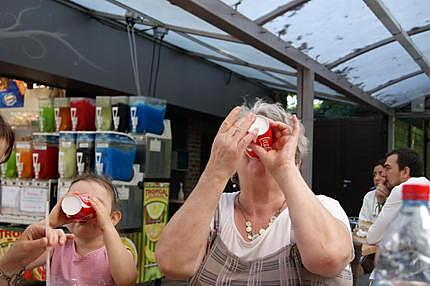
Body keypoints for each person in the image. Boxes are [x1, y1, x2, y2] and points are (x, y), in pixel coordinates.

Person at [156, 101, 354, 285]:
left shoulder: (323, 207)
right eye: (246, 140)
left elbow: (329, 259)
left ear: (297, 161)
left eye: (271, 141)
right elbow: (172, 264)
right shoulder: (212, 209)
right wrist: (216, 170)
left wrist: (284, 166)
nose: (256, 147)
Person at [27, 174, 137, 285]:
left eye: (96, 204)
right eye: (76, 201)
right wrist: (49, 222)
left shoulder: (116, 253)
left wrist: (107, 226)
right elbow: (18, 260)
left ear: (113, 218)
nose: (82, 210)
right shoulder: (57, 245)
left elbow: (126, 281)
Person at [367, 148, 429, 244]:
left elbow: (372, 237)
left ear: (405, 172)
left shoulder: (402, 190)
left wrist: (381, 202)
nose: (383, 174)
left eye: (387, 168)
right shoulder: (425, 184)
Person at [358, 159, 390, 227]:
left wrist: (382, 203)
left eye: (381, 174)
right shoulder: (369, 196)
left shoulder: (396, 195)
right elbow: (362, 223)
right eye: (374, 175)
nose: (376, 178)